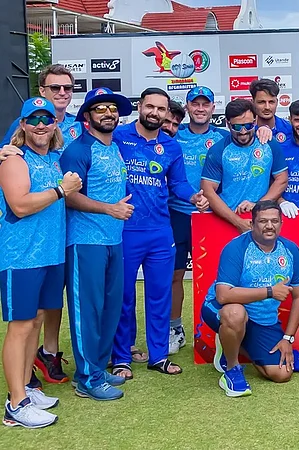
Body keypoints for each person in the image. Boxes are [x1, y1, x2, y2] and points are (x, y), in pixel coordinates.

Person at [110, 88, 208, 379]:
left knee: (160, 296)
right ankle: (121, 356)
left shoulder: (171, 146)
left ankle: (158, 356)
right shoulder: (118, 137)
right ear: (140, 107)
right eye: (149, 106)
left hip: (160, 231)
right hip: (127, 230)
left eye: (161, 109)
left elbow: (178, 184)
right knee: (124, 296)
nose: (155, 112)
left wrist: (194, 197)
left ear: (167, 113)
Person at [0, 98, 82, 428]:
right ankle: (15, 404)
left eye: (46, 119)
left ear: (55, 124)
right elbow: (19, 205)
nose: (40, 125)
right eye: (32, 119)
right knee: (20, 327)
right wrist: (62, 191)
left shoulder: (53, 159)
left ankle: (28, 387)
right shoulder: (14, 160)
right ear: (22, 125)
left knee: (34, 322)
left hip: (51, 254)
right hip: (20, 257)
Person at [59, 87, 133, 401]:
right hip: (85, 241)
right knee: (87, 310)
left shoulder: (114, 147)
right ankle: (87, 378)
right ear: (87, 116)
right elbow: (68, 195)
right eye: (100, 109)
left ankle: (97, 369)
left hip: (113, 239)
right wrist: (109, 209)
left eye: (111, 108)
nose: (108, 113)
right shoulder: (78, 149)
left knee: (109, 308)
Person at [200, 200, 299, 396]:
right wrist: (269, 291)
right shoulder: (236, 248)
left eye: (274, 221)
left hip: (263, 319)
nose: (269, 226)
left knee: (282, 373)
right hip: (220, 309)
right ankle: (232, 369)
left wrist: (287, 339)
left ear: (281, 224)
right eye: (263, 221)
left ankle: (230, 345)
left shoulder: (291, 250)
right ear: (252, 224)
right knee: (235, 313)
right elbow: (223, 295)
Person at [169, 87, 230, 355]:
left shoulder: (225, 137)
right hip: (178, 213)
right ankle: (175, 328)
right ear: (188, 107)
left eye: (206, 104)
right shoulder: (173, 136)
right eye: (196, 104)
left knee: (217, 277)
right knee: (175, 276)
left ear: (213, 107)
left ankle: (215, 327)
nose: (201, 109)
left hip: (212, 216)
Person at [200, 99, 288, 234]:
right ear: (228, 124)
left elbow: (281, 179)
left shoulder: (269, 144)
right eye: (237, 127)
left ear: (255, 120)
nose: (242, 131)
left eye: (248, 126)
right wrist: (237, 222)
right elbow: (208, 191)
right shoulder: (218, 150)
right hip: (227, 221)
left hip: (263, 222)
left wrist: (258, 206)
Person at [249, 79, 299, 143]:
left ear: (277, 102)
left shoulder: (289, 128)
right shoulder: (244, 130)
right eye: (261, 102)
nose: (267, 107)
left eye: (271, 102)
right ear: (252, 102)